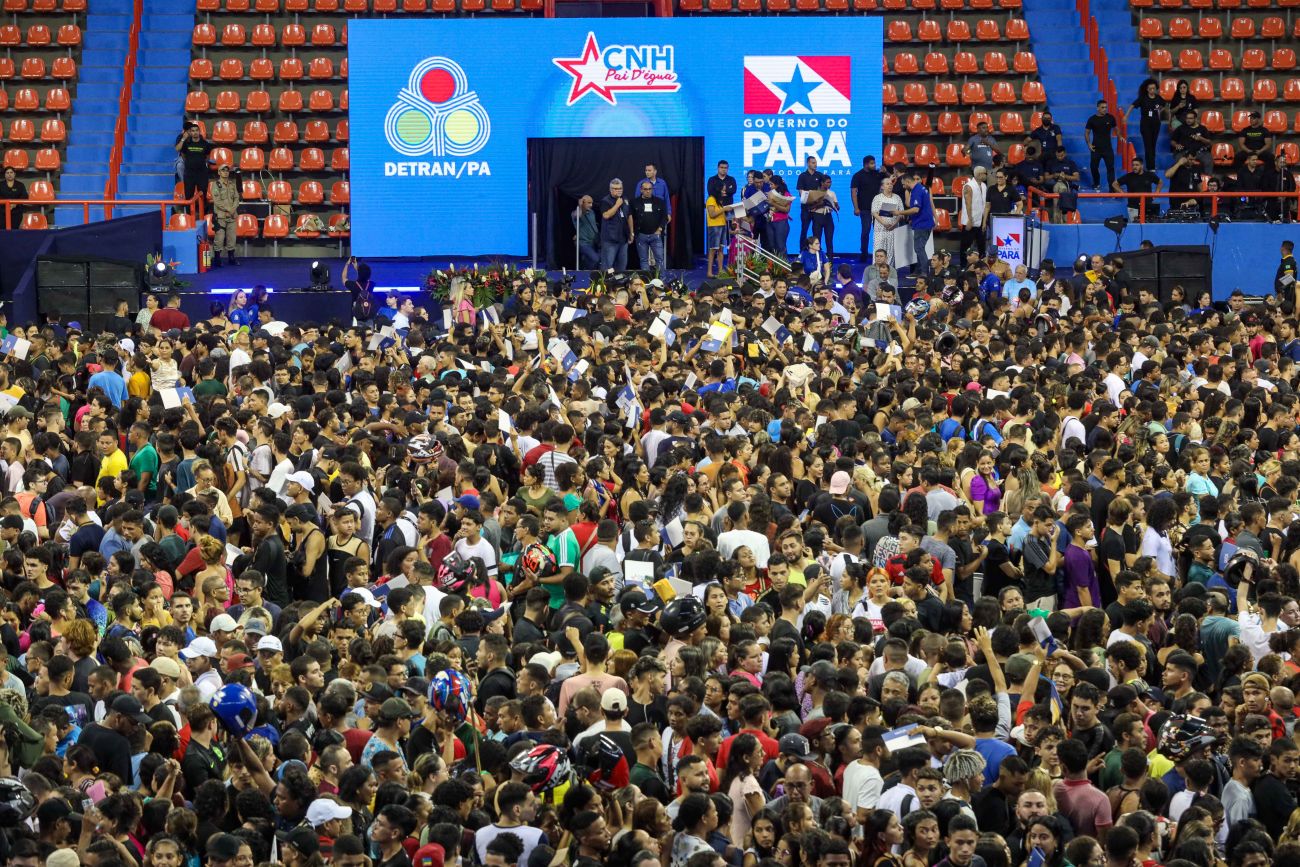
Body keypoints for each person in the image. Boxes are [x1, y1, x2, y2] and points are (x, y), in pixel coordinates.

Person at [898, 171, 934, 277]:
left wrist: (899, 212)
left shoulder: (917, 191)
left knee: (919, 248)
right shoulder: (920, 188)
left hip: (922, 224)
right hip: (923, 223)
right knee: (919, 248)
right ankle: (919, 271)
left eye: (903, 184)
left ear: (908, 181)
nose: (903, 187)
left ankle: (924, 273)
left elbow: (915, 209)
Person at [851, 155, 885, 262]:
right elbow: (853, 192)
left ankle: (879, 255)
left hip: (878, 209)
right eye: (872, 163)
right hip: (865, 209)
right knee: (865, 232)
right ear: (866, 164)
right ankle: (864, 253)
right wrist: (856, 208)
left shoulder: (877, 174)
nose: (874, 165)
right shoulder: (858, 175)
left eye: (874, 163)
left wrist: (886, 172)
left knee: (879, 232)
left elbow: (891, 180)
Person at [1127, 79, 1166, 170]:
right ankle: (1150, 167)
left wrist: (1159, 111)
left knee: (1153, 145)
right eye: (1150, 89)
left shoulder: (1158, 98)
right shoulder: (1143, 98)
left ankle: (1152, 165)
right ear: (1147, 89)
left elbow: (1164, 105)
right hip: (1145, 125)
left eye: (1154, 88)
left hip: (1156, 124)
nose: (1152, 90)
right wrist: (1126, 116)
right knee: (1148, 145)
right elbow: (1133, 105)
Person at [632, 179, 669, 271]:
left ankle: (661, 279)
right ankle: (647, 279)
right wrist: (633, 232)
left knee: (659, 259)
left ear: (652, 189)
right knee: (644, 260)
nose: (648, 191)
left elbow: (664, 217)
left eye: (649, 189)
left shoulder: (660, 202)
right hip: (641, 235)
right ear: (641, 190)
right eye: (645, 189)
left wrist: (660, 229)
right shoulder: (634, 202)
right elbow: (631, 218)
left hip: (655, 235)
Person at [1113, 157, 1162, 222]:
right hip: (1133, 206)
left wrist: (1157, 193)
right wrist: (1122, 193)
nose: (1134, 167)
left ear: (1142, 166)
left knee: (1148, 225)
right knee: (1135, 225)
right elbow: (1114, 184)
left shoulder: (1149, 175)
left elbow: (1160, 182)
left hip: (1147, 205)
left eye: (1137, 165)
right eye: (1133, 165)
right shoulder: (1128, 176)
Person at [209, 164, 240, 269]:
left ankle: (231, 258)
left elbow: (236, 198)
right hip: (221, 216)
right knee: (220, 237)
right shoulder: (215, 185)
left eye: (227, 171)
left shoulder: (232, 184)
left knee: (232, 237)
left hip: (232, 215)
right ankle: (217, 259)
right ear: (219, 172)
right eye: (223, 170)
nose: (225, 172)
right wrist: (228, 210)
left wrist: (232, 210)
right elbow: (217, 201)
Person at [598, 178, 632, 271]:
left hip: (623, 239)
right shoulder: (605, 201)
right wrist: (617, 205)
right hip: (610, 240)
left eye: (620, 188)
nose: (619, 190)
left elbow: (629, 216)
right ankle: (606, 280)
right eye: (616, 189)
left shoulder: (625, 199)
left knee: (622, 266)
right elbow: (606, 215)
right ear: (611, 190)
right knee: (608, 267)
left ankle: (620, 281)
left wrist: (631, 232)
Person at [174, 122, 213, 203]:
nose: (195, 132)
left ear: (199, 131)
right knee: (188, 197)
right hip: (189, 174)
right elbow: (179, 151)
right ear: (190, 132)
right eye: (193, 131)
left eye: (196, 130)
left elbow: (207, 156)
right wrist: (183, 139)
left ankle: (203, 211)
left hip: (202, 174)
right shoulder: (186, 143)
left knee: (203, 197)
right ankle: (189, 211)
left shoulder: (205, 144)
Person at [1084, 100, 1118, 191]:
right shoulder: (1092, 119)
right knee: (1093, 167)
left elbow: (1116, 128)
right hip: (1096, 149)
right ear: (1097, 108)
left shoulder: (1110, 118)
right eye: (1102, 107)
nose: (1104, 109)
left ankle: (1112, 189)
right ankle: (1096, 183)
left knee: (1110, 168)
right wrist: (1089, 144)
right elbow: (1087, 133)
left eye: (1106, 107)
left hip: (1108, 149)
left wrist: (1120, 136)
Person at [959, 167, 988, 261]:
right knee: (965, 246)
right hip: (970, 221)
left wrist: (984, 222)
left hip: (981, 221)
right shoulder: (968, 186)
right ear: (979, 174)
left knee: (982, 246)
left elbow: (985, 204)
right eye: (985, 173)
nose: (986, 175)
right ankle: (963, 266)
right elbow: (968, 204)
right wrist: (970, 220)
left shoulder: (984, 186)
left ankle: (982, 265)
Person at [572, 195, 599, 269]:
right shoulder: (576, 212)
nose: (591, 205)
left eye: (592, 203)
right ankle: (587, 272)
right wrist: (580, 206)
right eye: (589, 203)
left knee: (587, 260)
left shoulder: (592, 212)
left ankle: (585, 271)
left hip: (593, 242)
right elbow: (577, 215)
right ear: (583, 203)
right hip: (583, 242)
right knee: (595, 259)